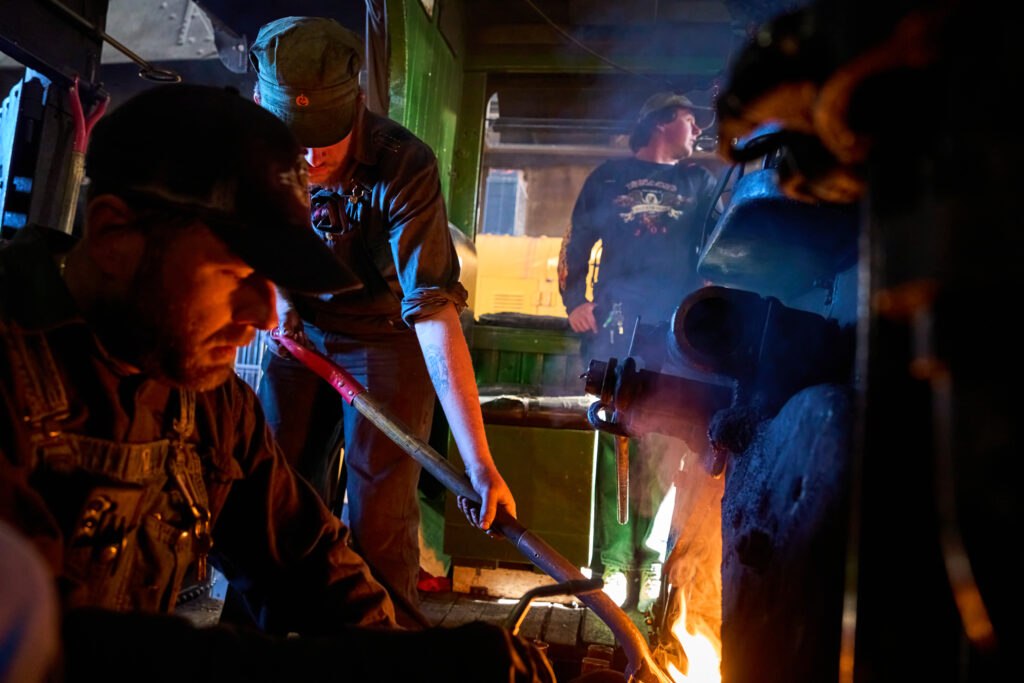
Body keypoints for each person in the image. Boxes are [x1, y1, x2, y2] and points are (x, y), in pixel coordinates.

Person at [0, 83, 553, 683]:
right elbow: (57, 648)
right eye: (235, 272)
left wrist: (407, 652)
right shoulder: (10, 371)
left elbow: (307, 558)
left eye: (273, 280)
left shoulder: (209, 404)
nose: (266, 316)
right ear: (112, 236)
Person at [249, 16, 516, 612]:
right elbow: (256, 229)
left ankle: (381, 654)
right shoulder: (255, 153)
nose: (311, 155)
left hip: (389, 339)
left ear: (359, 104)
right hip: (304, 337)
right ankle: (257, 643)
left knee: (379, 514)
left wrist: (478, 462)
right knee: (272, 494)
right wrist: (284, 300)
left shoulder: (404, 166)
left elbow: (432, 312)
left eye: (327, 134)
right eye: (295, 137)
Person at [558, 91, 719, 612]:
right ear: (665, 121)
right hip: (618, 322)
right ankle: (608, 565)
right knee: (615, 437)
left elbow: (720, 249)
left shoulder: (701, 182)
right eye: (690, 119)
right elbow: (576, 242)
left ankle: (648, 570)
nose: (697, 129)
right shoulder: (609, 176)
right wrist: (573, 300)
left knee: (662, 444)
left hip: (677, 331)